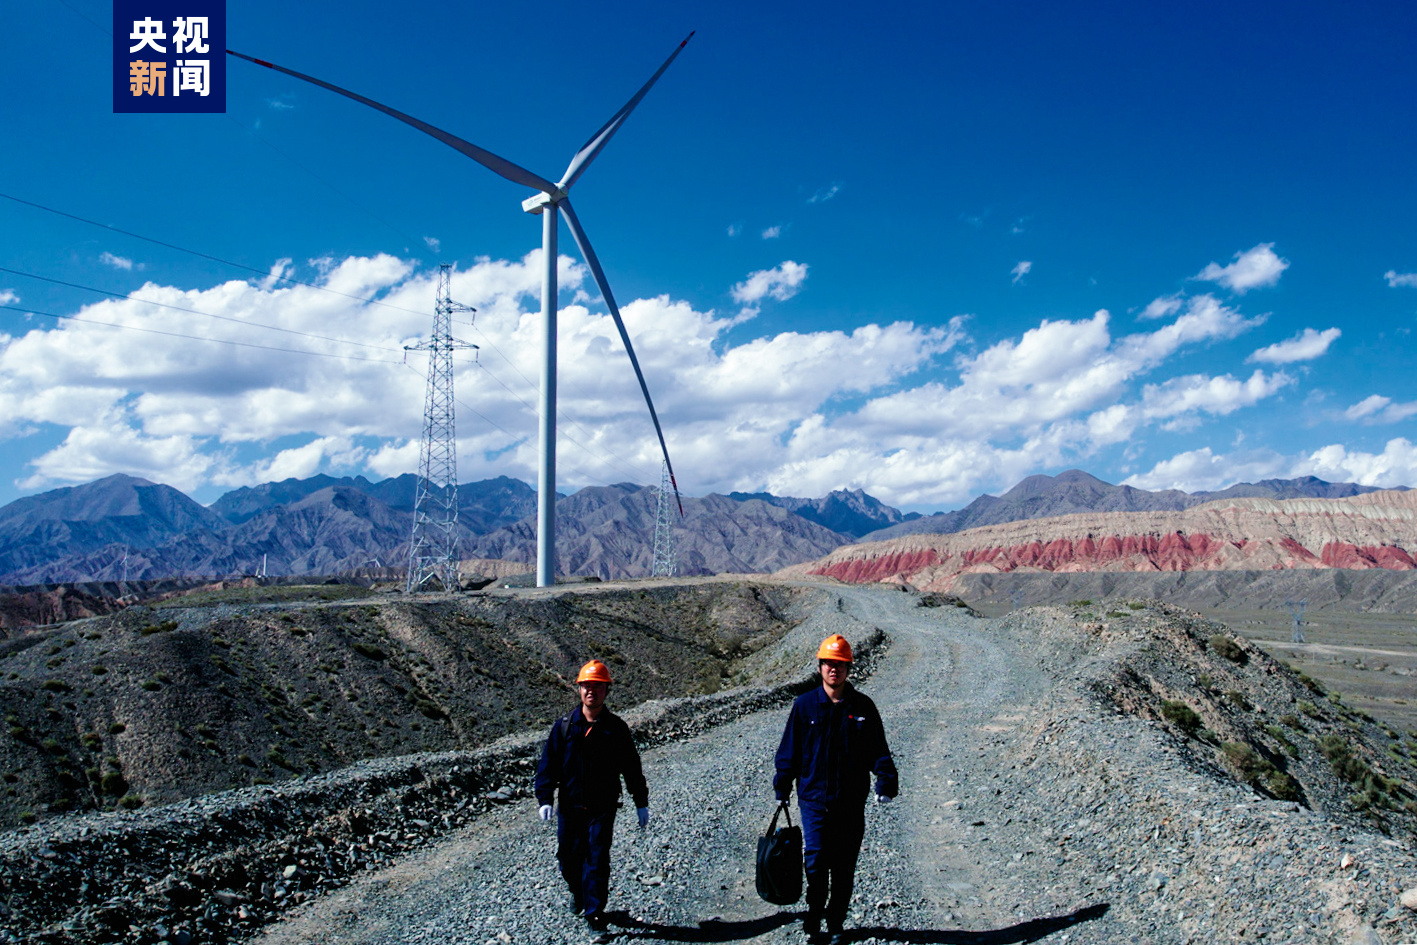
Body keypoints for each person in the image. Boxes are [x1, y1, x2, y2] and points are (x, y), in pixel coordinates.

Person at [774, 634, 898, 945]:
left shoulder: (863, 707)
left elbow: (877, 749)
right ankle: (814, 916)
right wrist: (782, 784)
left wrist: (886, 779)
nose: (834, 670)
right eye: (829, 663)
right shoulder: (804, 706)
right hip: (813, 799)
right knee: (815, 860)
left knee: (843, 865)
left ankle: (836, 922)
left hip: (850, 801)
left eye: (840, 665)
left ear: (848, 669)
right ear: (820, 667)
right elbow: (790, 749)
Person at [535, 659, 649, 933]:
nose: (591, 691)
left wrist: (640, 802)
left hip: (602, 807)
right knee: (567, 858)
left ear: (606, 691)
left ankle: (596, 916)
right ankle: (578, 891)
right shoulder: (564, 727)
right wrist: (545, 798)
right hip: (570, 807)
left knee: (597, 861)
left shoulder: (616, 729)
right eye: (587, 685)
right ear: (579, 689)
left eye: (598, 687)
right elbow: (547, 765)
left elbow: (631, 768)